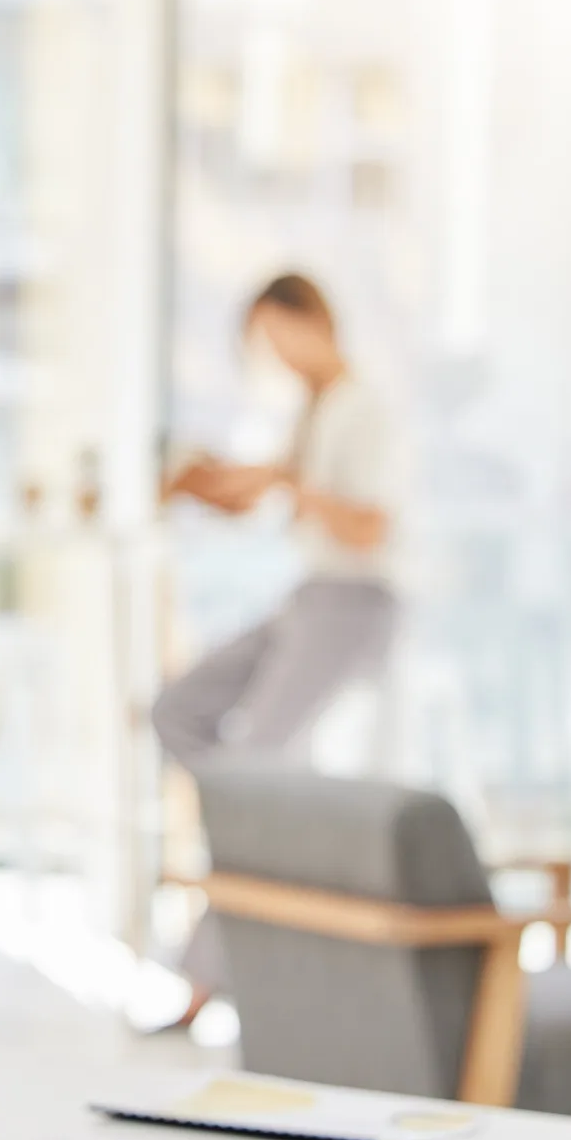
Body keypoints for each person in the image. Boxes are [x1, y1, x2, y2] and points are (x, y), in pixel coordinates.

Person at [152, 272, 400, 1026]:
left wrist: (291, 483)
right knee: (177, 711)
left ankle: (205, 983)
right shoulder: (313, 409)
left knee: (257, 766)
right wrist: (201, 485)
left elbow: (369, 528)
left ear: (311, 320)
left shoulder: (366, 407)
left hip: (354, 603)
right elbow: (265, 501)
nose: (272, 354)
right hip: (307, 597)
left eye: (273, 335)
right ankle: (269, 813)